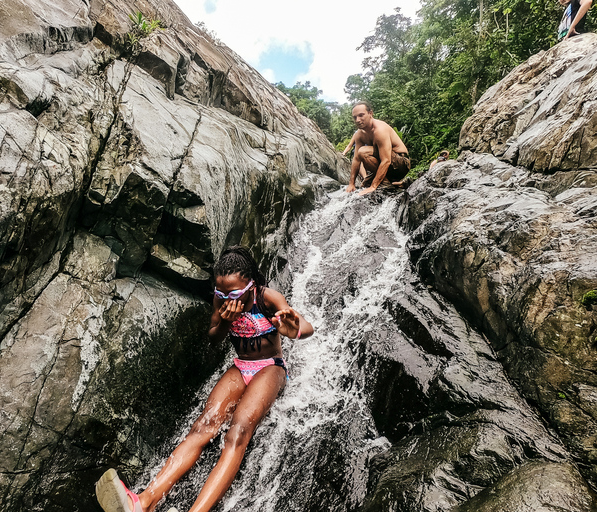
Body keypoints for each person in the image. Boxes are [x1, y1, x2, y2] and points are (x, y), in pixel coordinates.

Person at [96, 246, 314, 512]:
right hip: (241, 365)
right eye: (221, 293)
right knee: (203, 425)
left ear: (251, 285)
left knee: (237, 432)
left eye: (233, 293)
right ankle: (144, 502)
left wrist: (293, 329)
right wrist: (225, 321)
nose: (227, 299)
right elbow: (214, 337)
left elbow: (306, 327)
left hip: (270, 367)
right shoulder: (221, 301)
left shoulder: (267, 298)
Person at [345, 101, 410, 196]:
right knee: (364, 185)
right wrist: (351, 184)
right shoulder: (359, 134)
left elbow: (386, 160)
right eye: (355, 117)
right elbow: (356, 159)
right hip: (386, 165)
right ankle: (398, 184)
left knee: (363, 151)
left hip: (401, 163)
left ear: (370, 113)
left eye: (361, 115)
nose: (357, 120)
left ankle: (385, 183)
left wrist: (373, 186)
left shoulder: (379, 130)